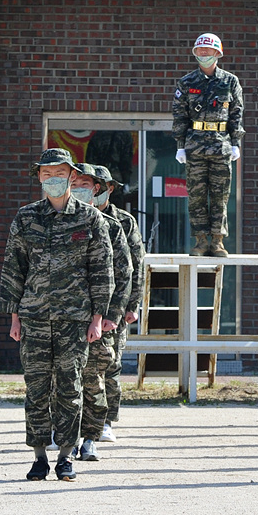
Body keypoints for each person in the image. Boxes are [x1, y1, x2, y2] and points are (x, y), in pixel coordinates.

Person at [0, 148, 114, 482]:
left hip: (75, 320)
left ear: (70, 175)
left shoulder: (89, 218)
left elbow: (101, 269)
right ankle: (38, 456)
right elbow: (13, 268)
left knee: (70, 388)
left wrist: (98, 317)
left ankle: (65, 456)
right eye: (46, 175)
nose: (53, 180)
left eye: (59, 174)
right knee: (36, 388)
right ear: (38, 177)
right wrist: (14, 316)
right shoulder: (26, 217)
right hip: (34, 317)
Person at [75, 164, 131, 462]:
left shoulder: (113, 224)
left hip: (101, 317)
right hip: (64, 316)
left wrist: (118, 312)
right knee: (63, 380)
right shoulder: (48, 220)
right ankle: (67, 434)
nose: (78, 188)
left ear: (98, 189)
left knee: (98, 376)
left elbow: (124, 274)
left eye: (85, 184)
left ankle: (93, 434)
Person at [172, 33, 244, 257]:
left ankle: (218, 242)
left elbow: (236, 113)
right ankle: (201, 241)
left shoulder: (230, 81)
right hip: (195, 145)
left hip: (221, 145)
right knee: (197, 195)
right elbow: (179, 115)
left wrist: (235, 142)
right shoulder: (186, 82)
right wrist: (180, 145)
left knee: (220, 195)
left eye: (207, 50)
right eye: (200, 51)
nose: (203, 54)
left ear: (217, 53)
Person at [95, 165, 145, 444]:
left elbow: (135, 267)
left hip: (118, 305)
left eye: (99, 186)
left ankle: (106, 421)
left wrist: (132, 305)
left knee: (111, 365)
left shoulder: (124, 222)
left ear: (110, 189)